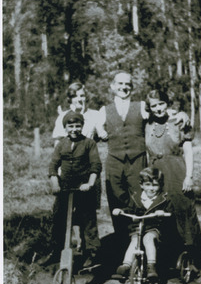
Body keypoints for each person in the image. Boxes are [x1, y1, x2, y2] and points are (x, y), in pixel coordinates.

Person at [97, 71, 190, 251]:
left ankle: (145, 246)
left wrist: (182, 114)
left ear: (131, 87)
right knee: (117, 203)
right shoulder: (103, 110)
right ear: (112, 87)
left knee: (142, 201)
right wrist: (99, 130)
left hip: (137, 161)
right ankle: (123, 247)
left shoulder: (140, 106)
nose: (124, 87)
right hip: (114, 162)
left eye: (127, 84)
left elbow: (161, 111)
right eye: (120, 84)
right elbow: (92, 127)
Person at [145, 89, 201, 268]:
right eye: (154, 106)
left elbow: (189, 151)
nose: (158, 108)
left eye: (161, 104)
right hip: (156, 174)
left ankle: (194, 256)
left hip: (176, 171)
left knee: (183, 210)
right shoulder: (147, 124)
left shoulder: (179, 121)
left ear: (167, 103)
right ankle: (169, 255)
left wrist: (189, 177)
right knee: (161, 211)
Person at [42, 111, 102, 267]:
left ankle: (92, 254)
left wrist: (89, 183)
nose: (74, 129)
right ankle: (56, 251)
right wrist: (55, 183)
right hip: (65, 187)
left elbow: (96, 165)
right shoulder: (62, 144)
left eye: (77, 126)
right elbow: (53, 166)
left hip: (83, 187)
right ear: (65, 128)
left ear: (82, 126)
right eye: (70, 126)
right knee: (58, 218)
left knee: (87, 220)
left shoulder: (89, 143)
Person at [113, 167, 175, 280]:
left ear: (160, 185)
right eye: (148, 184)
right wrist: (121, 211)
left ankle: (151, 266)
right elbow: (129, 209)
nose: (151, 188)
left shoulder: (164, 199)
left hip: (155, 228)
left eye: (155, 185)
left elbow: (171, 212)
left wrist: (163, 212)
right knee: (135, 241)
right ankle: (126, 265)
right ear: (142, 185)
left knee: (148, 238)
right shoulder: (136, 197)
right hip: (138, 227)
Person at [52, 81, 107, 146]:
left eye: (82, 96)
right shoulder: (63, 116)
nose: (79, 99)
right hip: (68, 154)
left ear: (86, 97)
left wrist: (102, 133)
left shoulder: (95, 115)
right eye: (75, 96)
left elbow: (102, 136)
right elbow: (57, 143)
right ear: (70, 99)